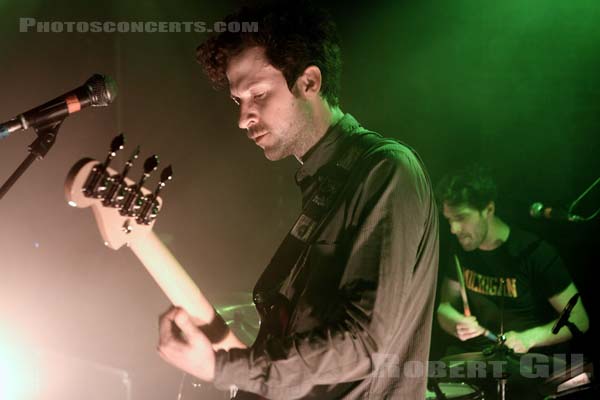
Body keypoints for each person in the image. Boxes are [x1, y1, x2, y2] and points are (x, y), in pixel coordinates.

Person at [156, 2, 439, 399]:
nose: (243, 118)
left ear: (309, 82)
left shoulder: (386, 170)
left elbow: (364, 343)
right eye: (239, 101)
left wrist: (222, 367)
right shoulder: (324, 185)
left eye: (258, 94)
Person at [436, 166, 589, 356]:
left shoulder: (534, 253)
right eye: (449, 219)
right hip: (479, 359)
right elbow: (445, 307)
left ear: (488, 209)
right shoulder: (462, 247)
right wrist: (454, 322)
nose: (454, 229)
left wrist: (529, 338)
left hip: (527, 365)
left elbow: (579, 319)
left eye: (461, 217)